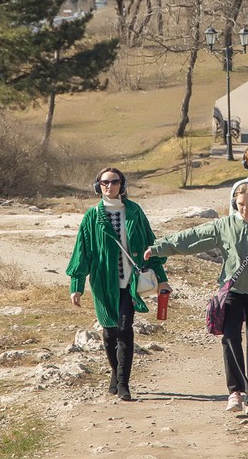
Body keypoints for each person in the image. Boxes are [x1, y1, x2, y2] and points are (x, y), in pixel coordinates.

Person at [146, 182, 248, 416]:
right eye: (241, 204)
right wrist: (159, 247)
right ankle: (235, 392)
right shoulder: (224, 225)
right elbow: (192, 238)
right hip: (231, 292)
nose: (245, 209)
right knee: (230, 338)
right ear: (234, 202)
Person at [67, 167, 171, 401]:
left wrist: (161, 279)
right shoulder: (92, 217)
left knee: (125, 328)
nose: (109, 186)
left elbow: (149, 247)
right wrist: (76, 285)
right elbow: (82, 252)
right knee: (109, 333)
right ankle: (115, 372)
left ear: (122, 185)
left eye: (114, 182)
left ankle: (123, 383)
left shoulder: (134, 211)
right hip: (103, 283)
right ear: (98, 186)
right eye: (104, 183)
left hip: (129, 282)